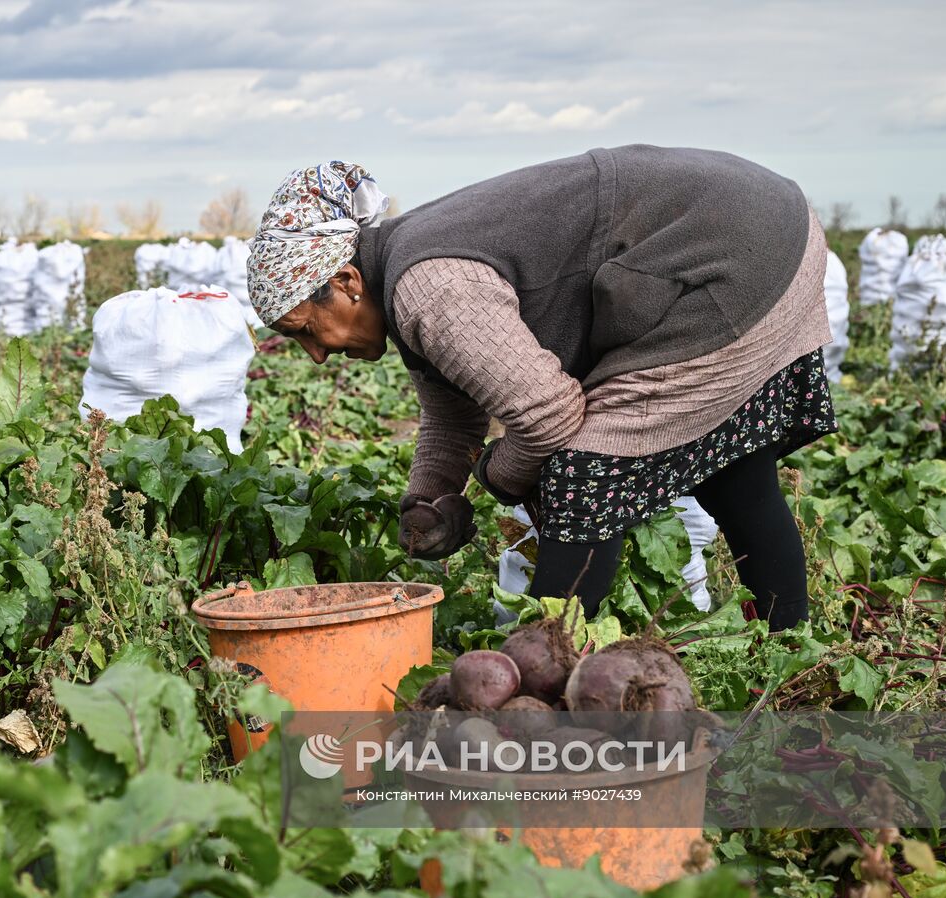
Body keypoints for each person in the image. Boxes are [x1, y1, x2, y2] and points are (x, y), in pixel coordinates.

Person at [246, 149, 837, 631]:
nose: (317, 354)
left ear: (347, 282)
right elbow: (453, 415)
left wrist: (498, 479)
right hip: (769, 222)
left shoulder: (429, 290)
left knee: (585, 472)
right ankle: (788, 647)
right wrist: (429, 497)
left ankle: (541, 679)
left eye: (306, 331)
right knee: (736, 474)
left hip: (732, 254)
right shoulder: (405, 273)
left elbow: (549, 417)